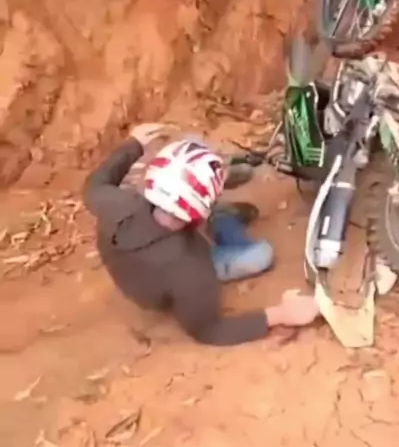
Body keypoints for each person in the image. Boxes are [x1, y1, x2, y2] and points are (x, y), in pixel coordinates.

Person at [83, 123, 322, 346]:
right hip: (165, 277)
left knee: (193, 144)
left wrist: (134, 143)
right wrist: (281, 314)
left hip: (140, 265)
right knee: (262, 255)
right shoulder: (191, 271)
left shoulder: (116, 203)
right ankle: (221, 217)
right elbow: (210, 331)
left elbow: (94, 184)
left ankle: (215, 195)